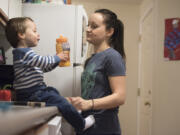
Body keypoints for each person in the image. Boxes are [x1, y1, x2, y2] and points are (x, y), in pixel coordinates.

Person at [5, 17, 95, 132]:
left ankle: (71, 111)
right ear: (21, 35)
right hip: (32, 94)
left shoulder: (25, 54)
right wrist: (57, 57)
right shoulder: (23, 53)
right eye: (34, 31)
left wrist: (57, 61)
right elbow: (43, 61)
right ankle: (80, 124)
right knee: (60, 100)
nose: (38, 34)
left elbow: (43, 67)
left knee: (53, 92)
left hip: (36, 92)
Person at [69, 9, 126, 135]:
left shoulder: (112, 57)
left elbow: (120, 97)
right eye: (88, 25)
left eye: (94, 26)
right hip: (87, 126)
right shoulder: (91, 60)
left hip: (104, 128)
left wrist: (89, 104)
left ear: (109, 31)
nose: (88, 29)